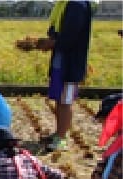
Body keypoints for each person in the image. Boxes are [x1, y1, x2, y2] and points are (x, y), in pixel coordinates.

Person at [36, 1, 93, 151]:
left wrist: (51, 43)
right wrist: (50, 39)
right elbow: (57, 29)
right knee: (60, 98)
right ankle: (58, 133)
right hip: (61, 59)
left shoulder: (77, 5)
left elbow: (70, 36)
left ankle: (61, 139)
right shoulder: (64, 4)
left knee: (65, 100)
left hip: (71, 62)